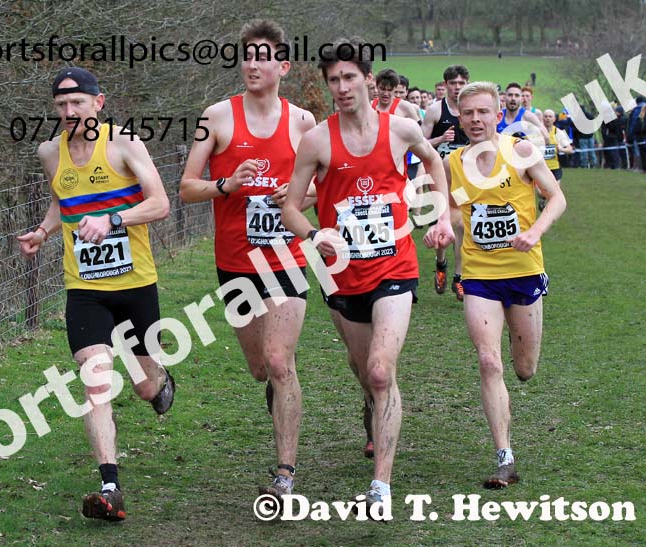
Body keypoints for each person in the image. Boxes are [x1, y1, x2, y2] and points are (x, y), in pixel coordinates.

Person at [281, 38, 454, 509]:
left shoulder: (400, 128)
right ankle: (375, 407)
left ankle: (381, 484)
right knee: (364, 372)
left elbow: (435, 160)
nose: (341, 87)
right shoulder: (316, 139)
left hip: (395, 265)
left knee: (381, 371)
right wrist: (316, 235)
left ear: (368, 80)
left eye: (349, 77)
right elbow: (291, 209)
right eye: (333, 79)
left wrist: (440, 215)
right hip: (341, 274)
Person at [17, 67, 174, 521]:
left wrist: (113, 219)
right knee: (94, 376)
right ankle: (110, 485)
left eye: (77, 103)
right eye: (61, 105)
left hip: (135, 283)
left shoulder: (124, 143)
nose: (69, 112)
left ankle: (161, 380)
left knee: (146, 386)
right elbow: (61, 199)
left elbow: (161, 203)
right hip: (84, 287)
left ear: (98, 103)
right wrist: (45, 231)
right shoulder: (50, 152)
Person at [179, 19, 316, 501]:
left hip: (286, 257)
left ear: (284, 65)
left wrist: (294, 196)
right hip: (235, 261)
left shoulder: (302, 122)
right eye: (247, 56)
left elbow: (321, 186)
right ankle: (277, 391)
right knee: (260, 368)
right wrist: (228, 184)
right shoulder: (215, 116)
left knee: (281, 361)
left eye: (263, 57)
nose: (253, 65)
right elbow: (186, 187)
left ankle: (285, 472)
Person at [447, 81, 566, 488]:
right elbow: (450, 209)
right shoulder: (455, 162)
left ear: (498, 114)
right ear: (460, 118)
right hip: (480, 275)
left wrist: (536, 233)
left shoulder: (520, 151)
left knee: (524, 368)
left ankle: (521, 374)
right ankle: (505, 457)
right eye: (468, 113)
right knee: (488, 361)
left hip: (524, 271)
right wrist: (441, 228)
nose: (476, 120)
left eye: (483, 112)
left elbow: (557, 197)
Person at [423, 65, 470, 300]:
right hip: (441, 180)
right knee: (443, 225)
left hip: (466, 180)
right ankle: (441, 264)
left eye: (461, 83)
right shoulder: (434, 111)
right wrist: (441, 139)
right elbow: (419, 146)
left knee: (462, 226)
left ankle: (459, 278)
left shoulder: (470, 110)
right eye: (453, 83)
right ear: (445, 85)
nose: (457, 88)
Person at [539, 109, 574, 210]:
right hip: (541, 168)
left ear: (554, 119)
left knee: (555, 192)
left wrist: (561, 149)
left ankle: (549, 211)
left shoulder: (559, 132)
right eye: (545, 116)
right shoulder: (537, 132)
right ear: (542, 118)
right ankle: (542, 198)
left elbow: (570, 149)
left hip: (555, 167)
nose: (548, 118)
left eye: (550, 116)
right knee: (542, 193)